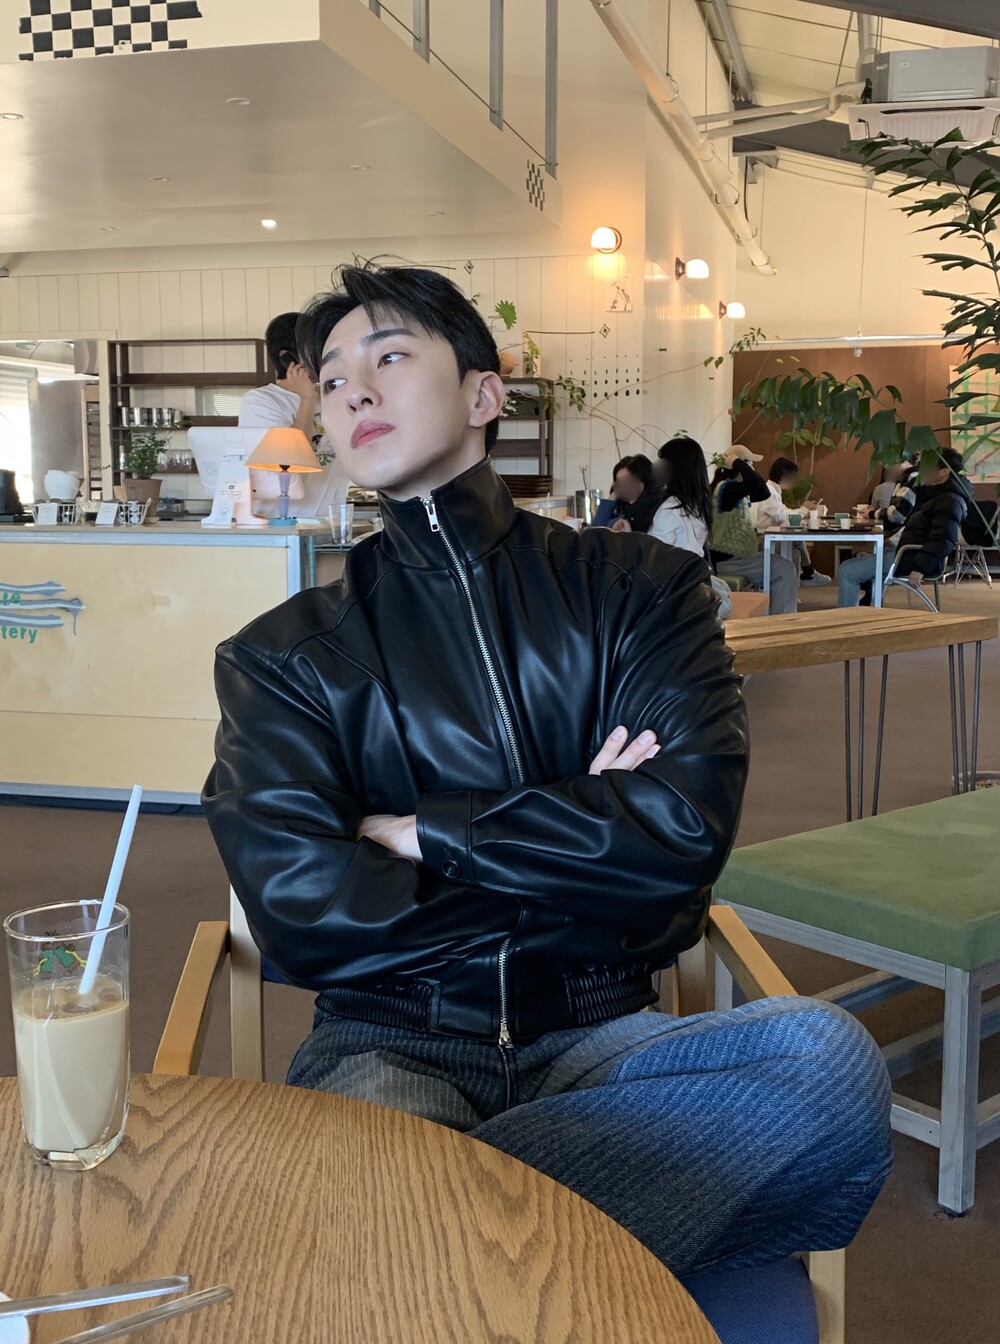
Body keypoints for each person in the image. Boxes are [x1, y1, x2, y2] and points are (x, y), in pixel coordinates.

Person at [202, 262, 891, 1280]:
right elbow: (307, 916)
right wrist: (588, 838)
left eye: (390, 357)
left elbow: (682, 837)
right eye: (333, 378)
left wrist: (420, 835)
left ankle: (437, 1240)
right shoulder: (283, 657)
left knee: (824, 1067)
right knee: (384, 1163)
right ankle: (520, 1254)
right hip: (389, 1045)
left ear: (484, 394)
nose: (351, 392)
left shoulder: (640, 590)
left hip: (602, 1035)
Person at [239, 311, 351, 520]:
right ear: (287, 358)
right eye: (315, 349)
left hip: (328, 523)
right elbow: (290, 461)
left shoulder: (331, 396)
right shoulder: (260, 402)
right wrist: (307, 399)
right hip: (279, 523)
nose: (323, 356)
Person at [709, 445, 798, 614]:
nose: (753, 468)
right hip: (728, 561)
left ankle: (777, 615)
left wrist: (740, 465)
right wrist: (739, 463)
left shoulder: (734, 489)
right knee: (785, 569)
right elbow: (755, 483)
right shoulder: (727, 490)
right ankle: (783, 621)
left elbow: (763, 492)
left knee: (782, 567)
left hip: (735, 558)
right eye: (750, 464)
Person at [838, 459, 918, 606]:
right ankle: (870, 602)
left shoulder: (913, 480)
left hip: (903, 553)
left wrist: (874, 514)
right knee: (858, 561)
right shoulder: (904, 481)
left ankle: (849, 616)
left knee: (847, 570)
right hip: (902, 548)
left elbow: (898, 515)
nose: (888, 466)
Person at [892, 448, 971, 587]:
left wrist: (920, 567)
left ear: (944, 471)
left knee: (851, 571)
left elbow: (943, 538)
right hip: (904, 552)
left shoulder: (949, 500)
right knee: (862, 561)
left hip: (910, 559)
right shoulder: (929, 494)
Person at [750, 456, 831, 587]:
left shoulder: (772, 490)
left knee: (795, 548)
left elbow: (784, 511)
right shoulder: (769, 492)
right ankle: (808, 574)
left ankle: (800, 579)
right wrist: (804, 509)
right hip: (761, 539)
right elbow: (782, 516)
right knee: (796, 539)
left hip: (766, 536)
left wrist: (802, 510)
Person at [607, 454, 666, 534]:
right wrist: (613, 495)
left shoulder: (659, 507)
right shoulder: (625, 508)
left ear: (644, 479)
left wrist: (628, 537)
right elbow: (597, 530)